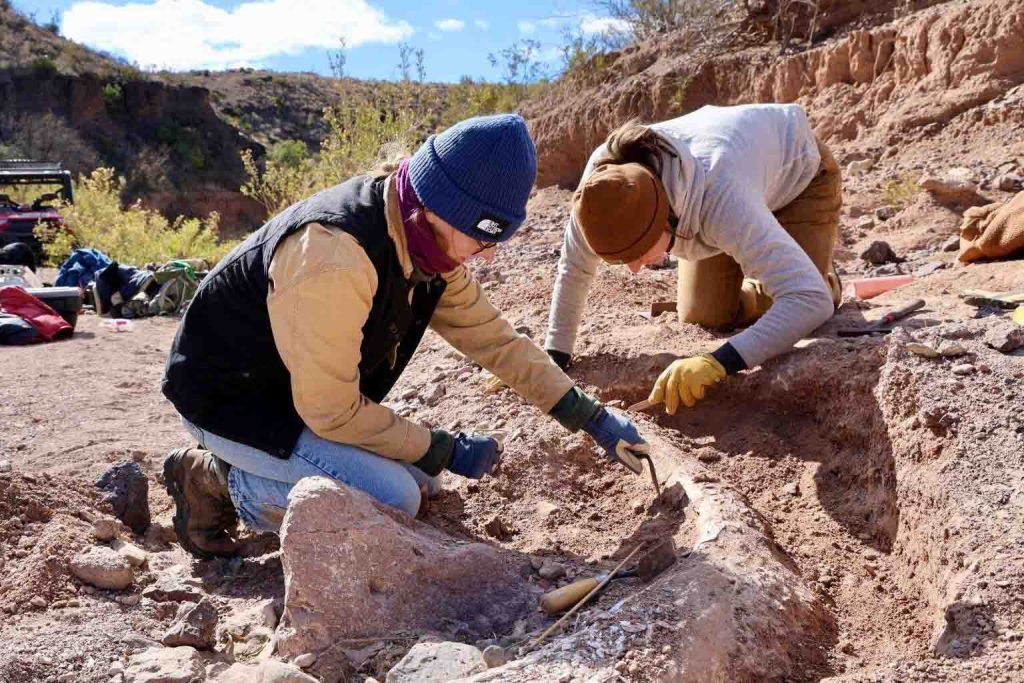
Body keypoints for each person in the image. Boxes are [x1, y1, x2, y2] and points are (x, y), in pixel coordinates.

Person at [161, 114, 650, 559]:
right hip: (229, 403)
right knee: (393, 497)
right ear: (442, 211)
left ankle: (252, 474)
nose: (488, 257)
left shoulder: (426, 243)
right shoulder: (335, 257)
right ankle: (213, 481)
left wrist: (593, 419)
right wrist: (444, 447)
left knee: (421, 482)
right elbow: (331, 411)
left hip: (296, 395)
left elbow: (497, 343)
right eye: (484, 239)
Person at [545, 103, 843, 414]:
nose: (634, 270)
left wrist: (718, 362)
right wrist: (555, 355)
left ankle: (822, 276)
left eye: (637, 253)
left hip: (799, 181)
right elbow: (574, 269)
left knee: (798, 301)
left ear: (665, 219)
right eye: (621, 260)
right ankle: (767, 256)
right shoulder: (601, 194)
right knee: (704, 314)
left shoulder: (722, 196)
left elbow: (808, 299)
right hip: (737, 193)